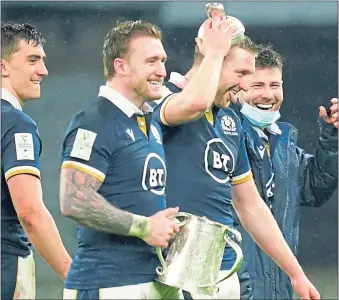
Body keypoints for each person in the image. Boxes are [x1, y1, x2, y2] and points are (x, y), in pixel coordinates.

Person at [153, 16, 320, 299]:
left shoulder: (230, 119)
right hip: (177, 271)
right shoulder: (163, 98)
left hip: (225, 271)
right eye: (241, 73)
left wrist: (295, 272)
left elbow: (249, 204)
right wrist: (214, 51)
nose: (245, 85)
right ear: (212, 58)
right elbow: (194, 103)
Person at [59, 20, 183, 300]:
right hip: (108, 282)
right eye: (151, 61)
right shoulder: (95, 121)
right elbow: (73, 199)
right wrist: (144, 226)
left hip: (153, 279)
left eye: (163, 61)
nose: (162, 71)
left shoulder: (148, 122)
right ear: (120, 66)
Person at [229, 43, 338, 300]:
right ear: (238, 88)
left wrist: (333, 137)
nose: (268, 95)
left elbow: (314, 188)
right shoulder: (222, 137)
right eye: (258, 86)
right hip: (234, 287)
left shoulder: (282, 143)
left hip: (279, 287)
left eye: (274, 85)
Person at [1, 21, 72, 299]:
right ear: (3, 66)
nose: (43, 70)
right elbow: (30, 212)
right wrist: (71, 273)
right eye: (32, 60)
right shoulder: (16, 124)